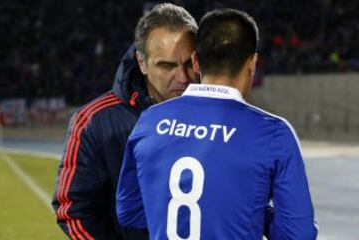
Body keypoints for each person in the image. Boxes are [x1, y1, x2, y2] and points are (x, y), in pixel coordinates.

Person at [116, 8, 318, 239]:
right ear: (252, 63)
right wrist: (248, 210)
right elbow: (297, 235)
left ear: (196, 61)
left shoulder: (150, 120)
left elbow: (129, 211)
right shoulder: (274, 134)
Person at [52, 3, 198, 239]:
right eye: (166, 65)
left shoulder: (220, 116)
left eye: (190, 63)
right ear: (141, 63)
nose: (182, 77)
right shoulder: (94, 122)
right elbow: (74, 210)